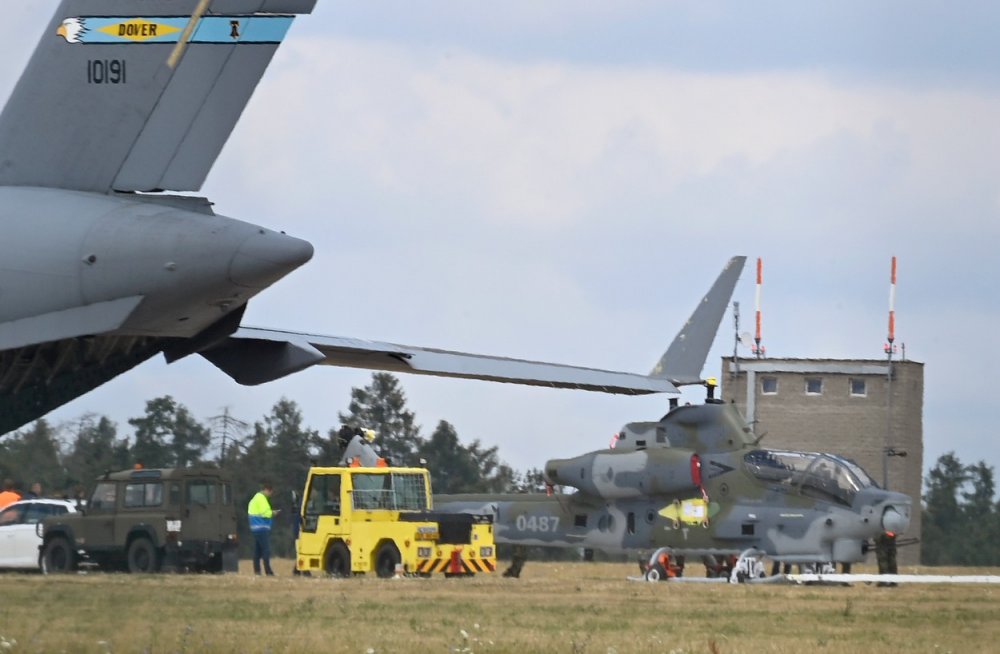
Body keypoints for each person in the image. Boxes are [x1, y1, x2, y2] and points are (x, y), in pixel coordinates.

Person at [248, 482, 279, 576]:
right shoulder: (261, 498)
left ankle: (257, 571)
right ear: (266, 490)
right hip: (261, 527)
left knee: (257, 551)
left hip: (255, 528)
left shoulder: (255, 498)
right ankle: (268, 571)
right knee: (266, 550)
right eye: (270, 493)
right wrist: (273, 513)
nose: (270, 495)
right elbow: (266, 513)